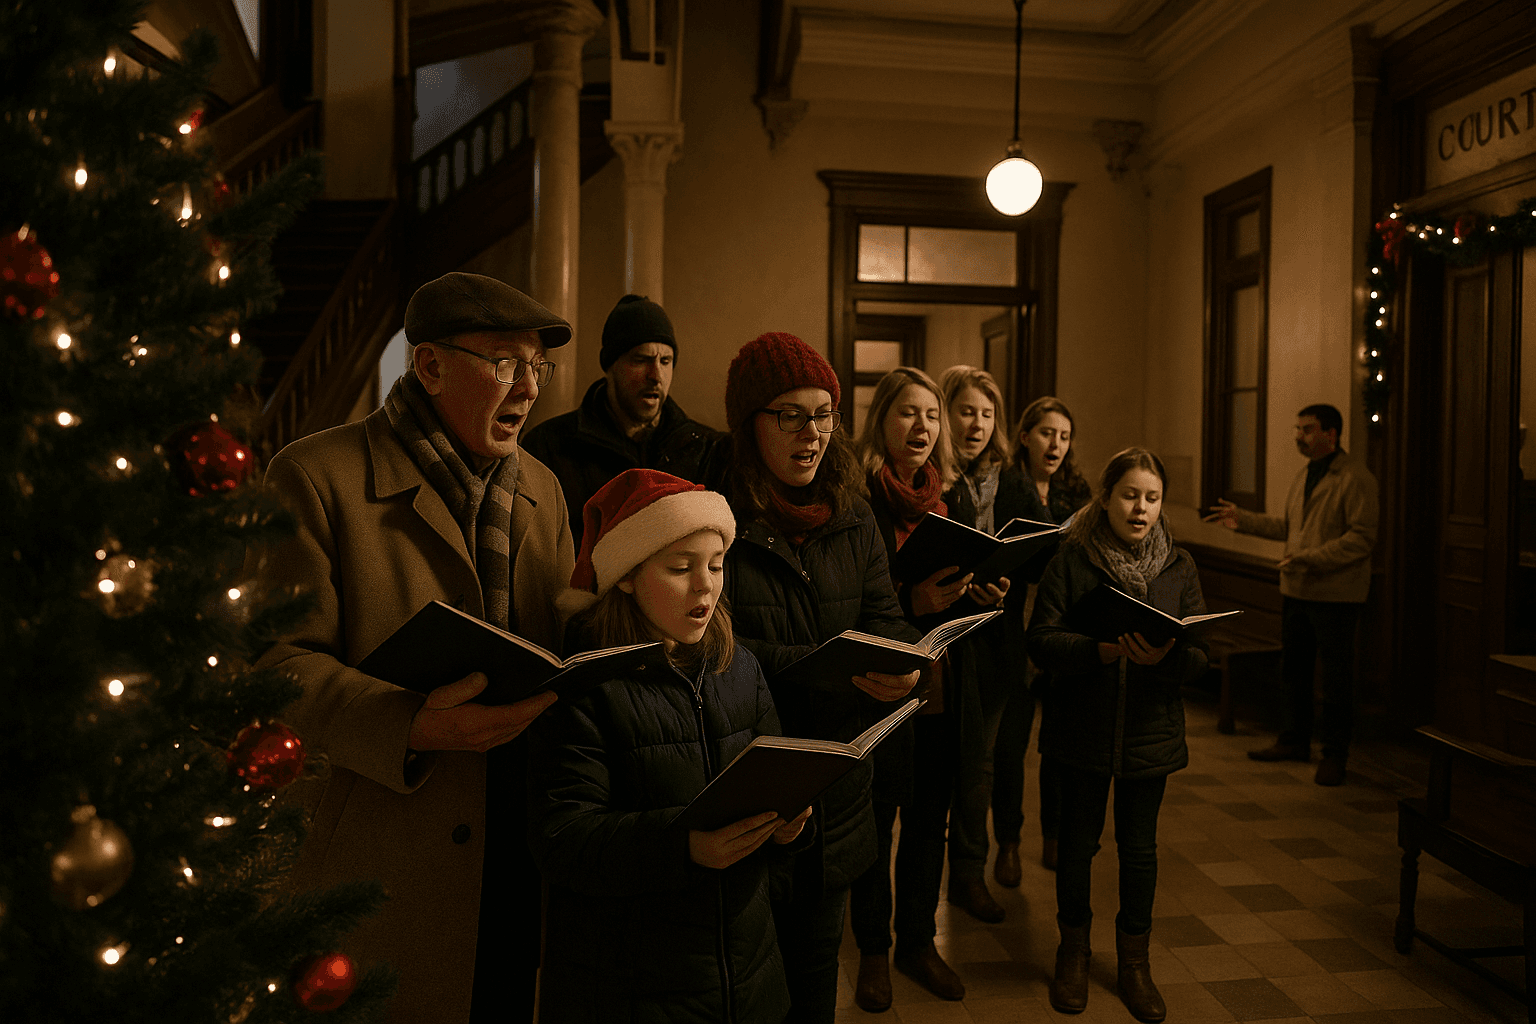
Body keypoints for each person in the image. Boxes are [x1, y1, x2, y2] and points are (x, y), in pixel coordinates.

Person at [256, 272, 576, 1024]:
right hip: (383, 858)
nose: (530, 388)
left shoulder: (544, 491)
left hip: (516, 855)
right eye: (505, 363)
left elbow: (564, 644)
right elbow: (274, 668)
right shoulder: (314, 477)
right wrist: (409, 724)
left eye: (537, 365)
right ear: (429, 366)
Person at [527, 469, 811, 1023]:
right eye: (681, 568)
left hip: (746, 979)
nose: (705, 586)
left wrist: (790, 826)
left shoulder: (740, 667)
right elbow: (562, 839)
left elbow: (775, 780)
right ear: (628, 577)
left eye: (716, 565)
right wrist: (684, 847)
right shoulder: (588, 688)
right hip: (633, 989)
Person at [717, 332, 922, 1024]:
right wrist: (824, 665)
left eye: (825, 414)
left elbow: (885, 614)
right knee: (748, 986)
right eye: (791, 415)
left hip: (837, 786)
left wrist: (900, 662)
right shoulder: (718, 517)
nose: (812, 434)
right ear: (750, 423)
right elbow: (712, 648)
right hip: (750, 785)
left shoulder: (853, 510)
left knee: (815, 979)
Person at [1028, 447, 1211, 1023]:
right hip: (1081, 728)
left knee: (1139, 850)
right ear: (1105, 497)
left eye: (1152, 498)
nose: (1140, 508)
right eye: (1130, 495)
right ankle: (1073, 953)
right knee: (1077, 846)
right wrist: (1098, 651)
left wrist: (1168, 657)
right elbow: (1041, 639)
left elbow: (1201, 655)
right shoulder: (1073, 560)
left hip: (1150, 731)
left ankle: (1135, 963)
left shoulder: (1178, 565)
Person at [848, 366, 1008, 1010]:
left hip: (941, 687)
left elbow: (957, 591)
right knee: (876, 822)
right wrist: (910, 601)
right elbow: (847, 602)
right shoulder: (858, 498)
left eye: (932, 415)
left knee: (927, 823)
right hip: (880, 688)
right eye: (908, 412)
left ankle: (917, 941)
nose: (923, 425)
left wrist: (982, 592)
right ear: (883, 421)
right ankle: (873, 951)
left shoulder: (951, 501)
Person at [1204, 403, 1379, 786]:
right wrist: (1244, 520)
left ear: (1331, 434)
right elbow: (1291, 528)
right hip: (1298, 589)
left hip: (1336, 596)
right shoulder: (1305, 475)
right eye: (1298, 429)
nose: (1299, 436)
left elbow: (1361, 539)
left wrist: (1311, 559)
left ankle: (1335, 755)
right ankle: (1294, 740)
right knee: (1294, 671)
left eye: (1307, 429)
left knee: (1335, 680)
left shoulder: (1355, 478)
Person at [522, 293, 722, 547]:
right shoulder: (549, 446)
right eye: (641, 360)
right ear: (611, 366)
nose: (656, 375)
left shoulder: (705, 449)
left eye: (665, 361)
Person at [935, 366, 1024, 917]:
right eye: (967, 411)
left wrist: (1008, 578)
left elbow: (1039, 546)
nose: (977, 424)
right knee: (936, 769)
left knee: (979, 765)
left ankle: (969, 872)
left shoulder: (1011, 480)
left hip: (996, 644)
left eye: (988, 414)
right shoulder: (934, 479)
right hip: (943, 640)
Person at [992, 396, 1093, 879]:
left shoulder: (1076, 493)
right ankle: (1007, 843)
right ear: (1026, 436)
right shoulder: (1006, 486)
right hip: (1012, 627)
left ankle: (1054, 836)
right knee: (1010, 747)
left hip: (1062, 628)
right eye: (1048, 433)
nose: (1056, 444)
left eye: (1064, 436)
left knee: (1058, 745)